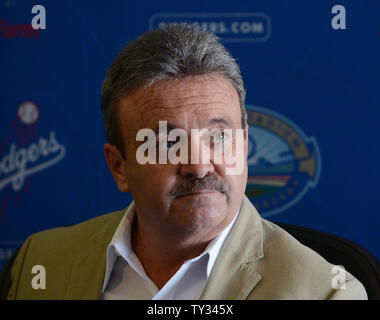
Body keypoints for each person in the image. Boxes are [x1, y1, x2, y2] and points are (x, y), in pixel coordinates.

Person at [2, 23, 367, 300]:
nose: (199, 165)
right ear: (118, 167)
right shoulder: (39, 264)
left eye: (218, 137)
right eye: (167, 142)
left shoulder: (327, 293)